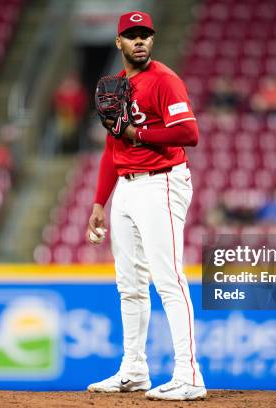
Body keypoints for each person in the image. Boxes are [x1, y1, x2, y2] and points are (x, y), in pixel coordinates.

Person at [85, 11, 206, 401]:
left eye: (145, 35)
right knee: (130, 286)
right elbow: (111, 148)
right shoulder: (116, 85)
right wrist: (100, 202)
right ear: (118, 42)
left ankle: (189, 375)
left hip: (162, 181)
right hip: (126, 187)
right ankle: (134, 369)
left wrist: (139, 132)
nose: (139, 41)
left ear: (151, 40)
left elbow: (189, 133)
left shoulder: (165, 81)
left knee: (168, 279)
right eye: (131, 35)